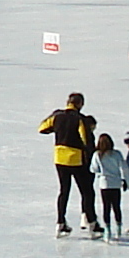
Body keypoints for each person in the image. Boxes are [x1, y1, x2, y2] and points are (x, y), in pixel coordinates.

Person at [39, 92, 100, 237]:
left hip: (59, 158)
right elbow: (86, 141)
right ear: (80, 104)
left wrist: (58, 128)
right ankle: (92, 224)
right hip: (76, 159)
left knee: (64, 191)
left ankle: (60, 223)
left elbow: (42, 128)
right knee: (86, 191)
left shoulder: (57, 116)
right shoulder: (80, 119)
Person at [92, 131, 127, 239]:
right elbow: (124, 168)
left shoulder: (97, 155)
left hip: (105, 184)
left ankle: (107, 231)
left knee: (106, 207)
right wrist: (126, 181)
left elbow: (93, 169)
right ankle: (118, 229)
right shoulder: (117, 154)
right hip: (116, 184)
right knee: (116, 207)